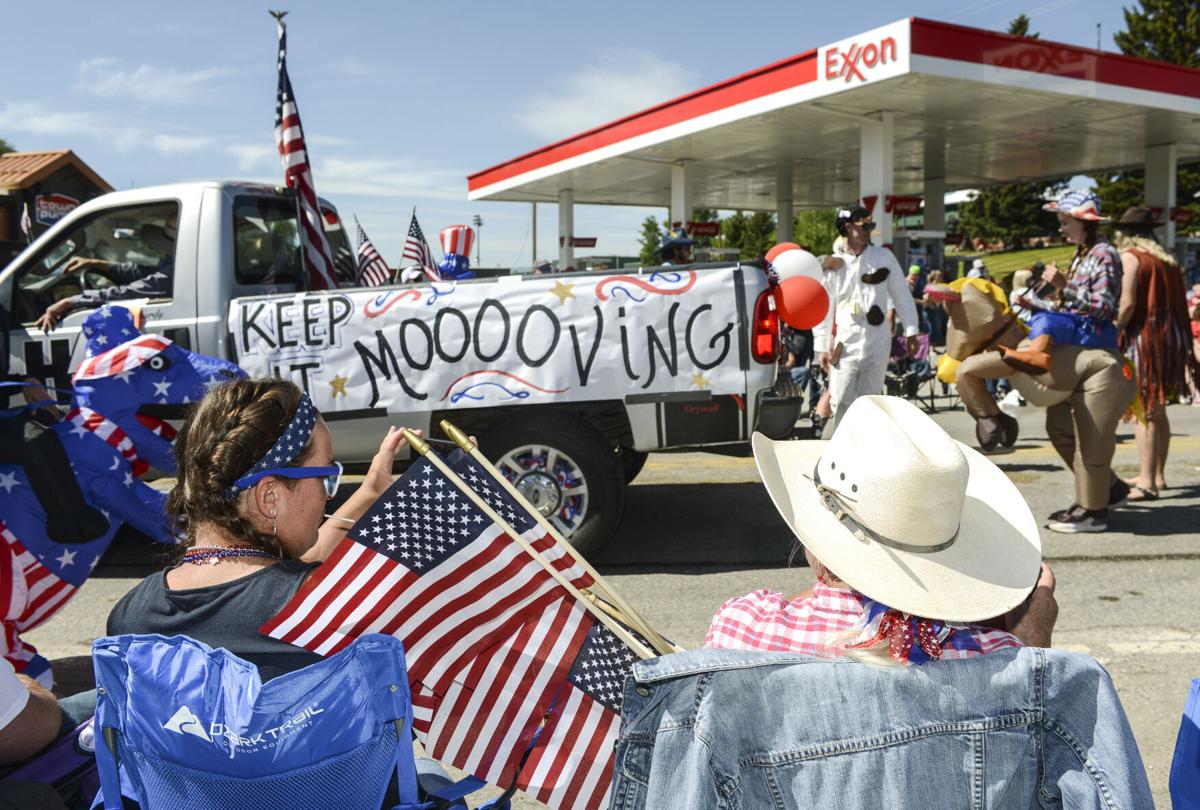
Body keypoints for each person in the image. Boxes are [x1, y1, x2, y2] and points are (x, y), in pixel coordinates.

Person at [707, 395, 1057, 663]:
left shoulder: (741, 629)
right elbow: (1028, 720)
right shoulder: (999, 659)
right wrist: (1035, 627)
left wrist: (836, 569)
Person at [106, 378, 408, 681]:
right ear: (270, 496)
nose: (328, 495)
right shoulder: (327, 614)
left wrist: (369, 492)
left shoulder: (129, 618)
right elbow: (279, 585)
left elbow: (258, 583)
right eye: (325, 475)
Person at [1114, 206, 1200, 500]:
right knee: (1158, 410)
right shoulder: (1167, 260)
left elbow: (1126, 305)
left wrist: (1114, 331)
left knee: (1144, 411)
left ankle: (1147, 482)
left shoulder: (1132, 258)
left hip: (1144, 339)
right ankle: (1157, 475)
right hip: (1171, 338)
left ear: (1124, 234)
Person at [812, 206, 921, 435]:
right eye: (863, 226)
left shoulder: (884, 257)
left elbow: (902, 295)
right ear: (849, 228)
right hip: (846, 342)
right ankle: (840, 453)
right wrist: (821, 347)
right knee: (840, 398)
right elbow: (823, 308)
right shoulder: (834, 265)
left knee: (870, 401)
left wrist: (911, 331)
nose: (868, 231)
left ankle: (866, 455)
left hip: (878, 341)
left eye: (870, 226)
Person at [37, 220, 178, 332]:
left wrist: (68, 302)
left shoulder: (175, 269)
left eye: (164, 246)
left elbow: (130, 292)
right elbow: (145, 274)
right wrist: (94, 263)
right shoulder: (175, 265)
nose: (162, 251)